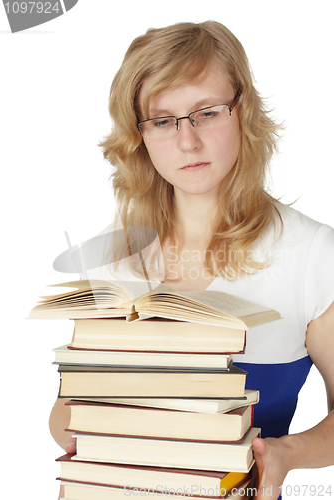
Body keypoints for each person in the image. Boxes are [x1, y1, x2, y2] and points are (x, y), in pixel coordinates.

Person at [49, 21, 334, 499]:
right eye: (163, 121)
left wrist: (288, 453)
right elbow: (65, 412)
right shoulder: (108, 258)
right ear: (139, 135)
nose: (187, 141)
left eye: (207, 113)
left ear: (243, 111)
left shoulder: (312, 256)